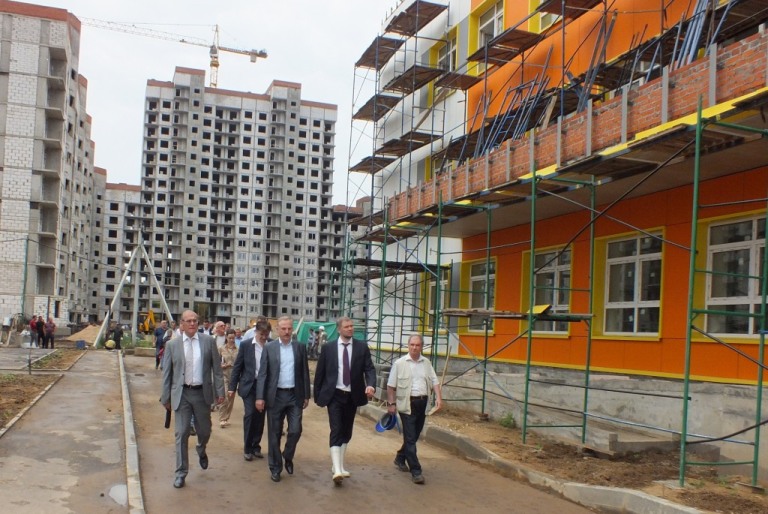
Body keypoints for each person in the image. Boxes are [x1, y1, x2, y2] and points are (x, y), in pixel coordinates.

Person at [160, 310, 225, 489]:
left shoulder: (208, 342)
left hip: (202, 393)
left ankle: (201, 448)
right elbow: (167, 373)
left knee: (205, 431)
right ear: (181, 324)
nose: (192, 323)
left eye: (195, 321)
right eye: (188, 321)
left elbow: (217, 370)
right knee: (181, 433)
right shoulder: (172, 345)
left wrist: (220, 392)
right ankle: (181, 472)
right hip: (182, 394)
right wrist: (165, 397)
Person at [314, 316, 376, 485]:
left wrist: (371, 385)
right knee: (336, 429)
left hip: (352, 395)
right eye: (347, 326)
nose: (350, 328)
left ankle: (339, 466)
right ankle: (336, 470)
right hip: (334, 395)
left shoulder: (361, 347)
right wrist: (317, 395)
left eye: (351, 326)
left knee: (346, 431)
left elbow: (369, 369)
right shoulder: (328, 348)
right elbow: (320, 372)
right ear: (339, 329)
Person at [255, 316, 311, 483]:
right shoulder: (269, 348)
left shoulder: (299, 347)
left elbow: (305, 372)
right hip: (275, 396)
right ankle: (275, 467)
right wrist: (260, 397)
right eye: (283, 329)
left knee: (295, 430)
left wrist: (306, 394)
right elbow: (263, 374)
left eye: (289, 329)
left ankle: (287, 454)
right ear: (277, 330)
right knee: (274, 433)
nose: (287, 332)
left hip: (295, 395)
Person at [386, 334, 443, 485]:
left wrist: (438, 398)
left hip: (422, 403)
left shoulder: (426, 363)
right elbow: (390, 386)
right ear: (408, 345)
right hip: (407, 404)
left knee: (414, 435)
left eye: (417, 345)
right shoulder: (399, 363)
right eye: (412, 345)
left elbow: (435, 381)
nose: (414, 348)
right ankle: (416, 471)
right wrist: (391, 404)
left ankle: (400, 457)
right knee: (411, 438)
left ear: (421, 346)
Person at [228, 319, 270, 461]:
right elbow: (237, 367)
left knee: (260, 417)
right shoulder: (246, 345)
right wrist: (232, 387)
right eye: (261, 334)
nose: (264, 337)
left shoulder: (271, 345)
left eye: (266, 334)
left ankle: (256, 446)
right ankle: (247, 448)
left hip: (264, 386)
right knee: (250, 414)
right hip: (249, 385)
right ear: (256, 332)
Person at [218, 329, 238, 428]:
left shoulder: (238, 350)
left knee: (231, 398)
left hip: (234, 376)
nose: (231, 340)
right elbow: (216, 362)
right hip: (224, 375)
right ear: (226, 337)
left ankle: (226, 418)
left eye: (233, 338)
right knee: (225, 396)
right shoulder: (221, 348)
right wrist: (223, 365)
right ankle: (222, 418)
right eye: (230, 338)